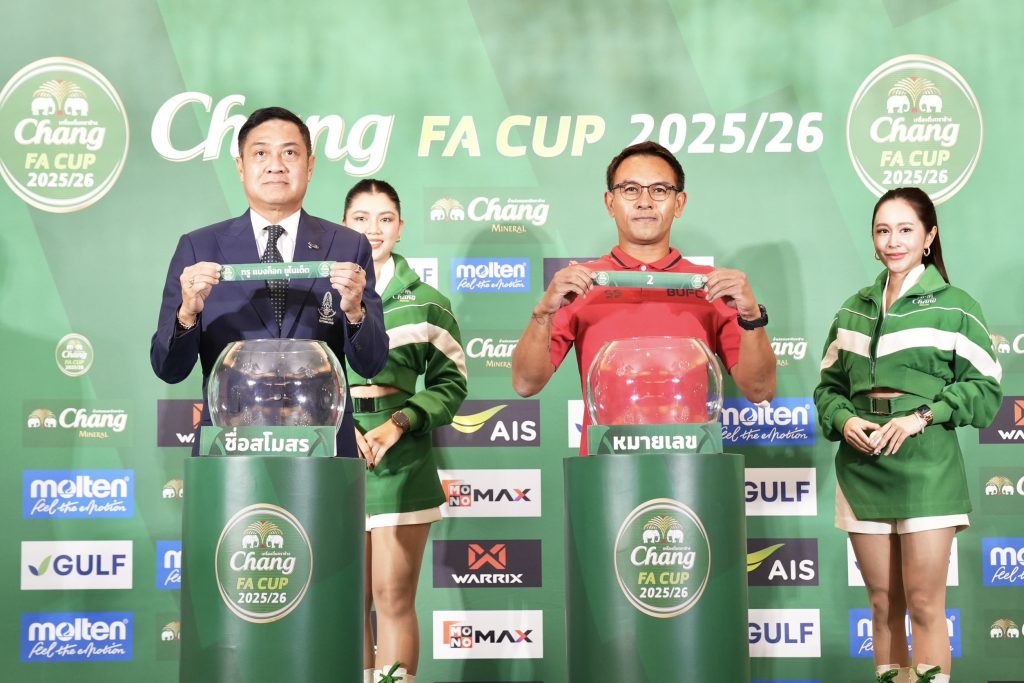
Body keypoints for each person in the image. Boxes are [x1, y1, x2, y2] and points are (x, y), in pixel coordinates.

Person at [813, 187, 1002, 683]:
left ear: (929, 236)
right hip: (862, 465)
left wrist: (921, 415)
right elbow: (828, 388)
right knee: (882, 603)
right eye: (883, 230)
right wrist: (844, 420)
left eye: (905, 229)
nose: (892, 241)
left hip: (927, 466)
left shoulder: (957, 307)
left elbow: (985, 389)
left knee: (924, 602)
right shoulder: (852, 310)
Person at [151, 106, 388, 458]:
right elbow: (168, 369)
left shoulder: (348, 246)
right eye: (261, 153)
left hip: (322, 452)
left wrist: (355, 313)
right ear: (240, 166)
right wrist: (187, 315)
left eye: (289, 153)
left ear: (310, 166)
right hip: (231, 451)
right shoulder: (199, 247)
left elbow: (372, 363)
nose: (276, 165)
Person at [511, 140, 776, 449]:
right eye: (630, 189)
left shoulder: (711, 286)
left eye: (659, 190)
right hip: (607, 468)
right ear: (610, 203)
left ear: (679, 203)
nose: (645, 202)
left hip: (692, 468)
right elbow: (525, 383)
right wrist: (544, 312)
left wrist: (751, 316)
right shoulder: (580, 284)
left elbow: (760, 391)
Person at [342, 179, 468, 683]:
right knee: (348, 600)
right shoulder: (320, 298)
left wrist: (399, 423)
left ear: (401, 226)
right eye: (361, 218)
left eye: (385, 218)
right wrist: (339, 428)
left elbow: (451, 383)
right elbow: (303, 375)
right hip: (337, 457)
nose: (374, 229)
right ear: (343, 225)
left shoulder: (429, 302)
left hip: (403, 460)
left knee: (393, 597)